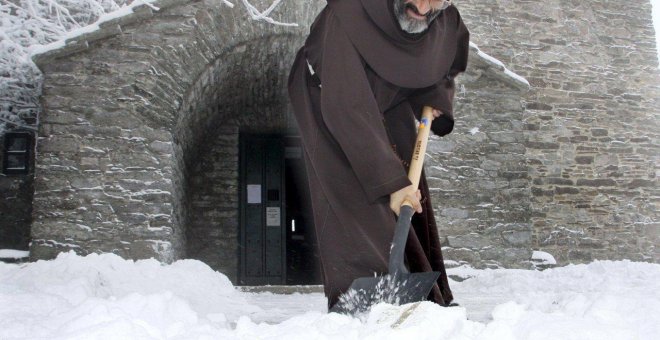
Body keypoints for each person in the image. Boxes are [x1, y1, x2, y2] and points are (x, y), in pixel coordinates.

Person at [287, 0, 470, 310]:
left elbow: (446, 61)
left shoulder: (446, 20)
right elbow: (347, 106)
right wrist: (391, 184)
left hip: (390, 95)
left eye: (436, 0)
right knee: (362, 195)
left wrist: (435, 97)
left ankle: (423, 296)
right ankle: (364, 304)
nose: (424, 9)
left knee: (409, 188)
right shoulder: (346, 15)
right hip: (330, 96)